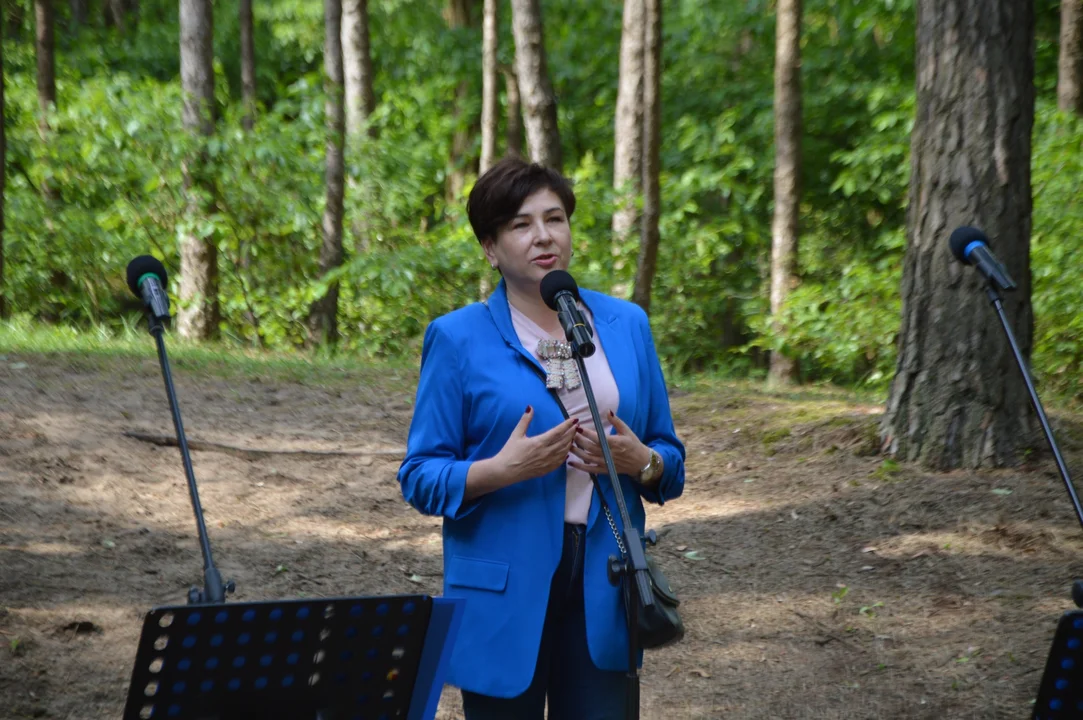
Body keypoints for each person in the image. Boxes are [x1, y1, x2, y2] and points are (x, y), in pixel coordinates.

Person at [397, 157, 685, 719]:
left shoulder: (626, 325)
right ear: (490, 247)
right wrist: (500, 470)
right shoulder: (457, 338)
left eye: (555, 218)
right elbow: (420, 474)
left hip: (607, 581)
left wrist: (640, 461)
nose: (543, 236)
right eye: (520, 224)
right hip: (503, 589)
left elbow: (667, 458)